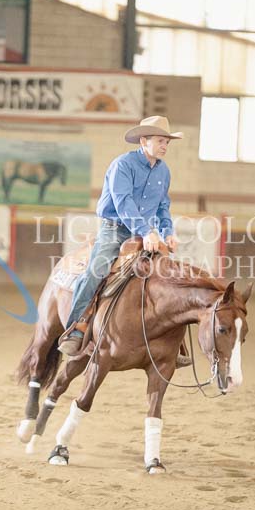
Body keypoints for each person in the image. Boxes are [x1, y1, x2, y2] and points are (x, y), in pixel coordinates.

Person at [58, 116, 182, 358]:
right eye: (160, 141)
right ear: (144, 141)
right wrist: (146, 231)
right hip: (115, 229)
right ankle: (75, 329)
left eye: (167, 142)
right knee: (96, 271)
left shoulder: (163, 171)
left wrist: (167, 232)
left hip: (145, 232)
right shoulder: (123, 165)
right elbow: (123, 202)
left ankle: (169, 342)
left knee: (167, 276)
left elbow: (162, 206)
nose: (165, 146)